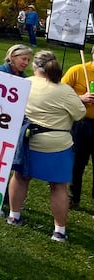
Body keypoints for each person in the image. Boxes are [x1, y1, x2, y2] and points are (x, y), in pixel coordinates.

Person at [7, 50, 85, 242]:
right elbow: (80, 113)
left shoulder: (25, 83)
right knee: (58, 186)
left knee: (20, 177)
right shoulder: (64, 90)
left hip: (28, 141)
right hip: (57, 145)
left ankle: (13, 216)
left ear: (35, 65)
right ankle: (59, 231)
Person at [0, 44, 32, 211]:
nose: (26, 63)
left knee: (6, 163)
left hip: (13, 126)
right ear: (12, 57)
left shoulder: (26, 79)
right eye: (23, 59)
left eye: (28, 60)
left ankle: (6, 197)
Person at [61, 44, 94, 208]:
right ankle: (74, 197)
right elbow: (60, 93)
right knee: (77, 162)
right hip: (81, 123)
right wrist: (81, 98)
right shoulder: (78, 70)